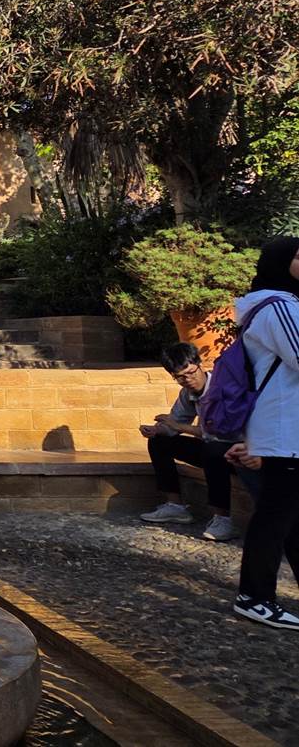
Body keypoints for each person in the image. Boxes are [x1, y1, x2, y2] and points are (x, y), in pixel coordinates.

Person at [229, 236, 299, 630]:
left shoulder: (282, 304)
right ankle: (254, 597)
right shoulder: (278, 306)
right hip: (284, 429)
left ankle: (255, 596)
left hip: (286, 428)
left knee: (289, 516)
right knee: (275, 515)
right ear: (280, 262)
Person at [138, 342, 241, 541]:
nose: (188, 380)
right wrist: (157, 430)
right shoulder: (188, 393)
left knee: (213, 451)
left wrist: (178, 426)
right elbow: (175, 422)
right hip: (214, 447)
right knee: (159, 441)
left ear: (199, 365)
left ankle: (223, 519)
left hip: (238, 450)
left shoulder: (223, 387)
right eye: (180, 377)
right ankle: (175, 506)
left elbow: (222, 434)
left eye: (191, 373)